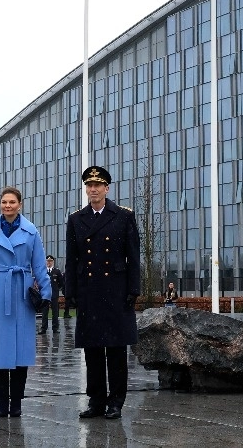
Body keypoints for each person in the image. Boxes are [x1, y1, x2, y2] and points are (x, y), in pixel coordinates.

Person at [65, 166, 141, 421]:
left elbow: (133, 255)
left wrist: (133, 289)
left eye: (98, 185)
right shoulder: (76, 219)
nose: (93, 190)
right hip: (89, 290)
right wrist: (71, 290)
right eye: (89, 185)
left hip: (116, 290)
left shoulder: (122, 216)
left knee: (116, 351)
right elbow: (72, 258)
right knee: (93, 350)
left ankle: (116, 401)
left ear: (107, 189)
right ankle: (96, 399)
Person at [0, 186, 51, 417]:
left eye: (12, 202)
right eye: (4, 202)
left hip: (22, 292)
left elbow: (39, 265)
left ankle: (16, 400)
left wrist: (45, 293)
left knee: (21, 349)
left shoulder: (31, 231)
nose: (8, 206)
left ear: (20, 204)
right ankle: (1, 400)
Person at [41, 255, 64, 333]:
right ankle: (43, 328)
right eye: (48, 261)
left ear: (53, 262)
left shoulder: (56, 271)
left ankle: (55, 328)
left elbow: (61, 283)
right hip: (45, 295)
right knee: (44, 312)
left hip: (54, 294)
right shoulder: (43, 271)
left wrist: (56, 289)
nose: (49, 262)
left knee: (55, 312)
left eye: (50, 261)